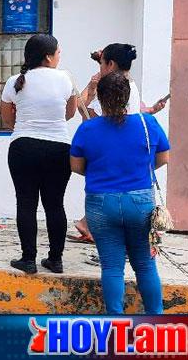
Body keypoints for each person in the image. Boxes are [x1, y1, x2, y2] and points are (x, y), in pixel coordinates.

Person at [70, 71, 168, 314]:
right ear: (127, 98)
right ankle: (155, 320)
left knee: (112, 267)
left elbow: (76, 166)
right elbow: (162, 158)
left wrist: (101, 171)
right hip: (140, 202)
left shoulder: (88, 129)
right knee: (145, 265)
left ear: (100, 99)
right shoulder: (148, 123)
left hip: (101, 203)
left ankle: (116, 323)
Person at [72, 43, 169, 243]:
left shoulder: (109, 88)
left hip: (110, 147)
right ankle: (90, 224)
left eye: (101, 63)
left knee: (108, 189)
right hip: (128, 153)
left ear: (111, 64)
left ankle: (90, 224)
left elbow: (84, 111)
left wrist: (90, 90)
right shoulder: (129, 85)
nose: (99, 68)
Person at [0, 34, 77, 275]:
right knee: (55, 205)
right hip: (58, 148)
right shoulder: (65, 79)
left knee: (26, 203)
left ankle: (28, 259)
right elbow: (70, 113)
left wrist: (26, 126)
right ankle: (55, 260)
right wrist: (50, 121)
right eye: (58, 53)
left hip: (23, 146)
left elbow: (7, 118)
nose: (59, 57)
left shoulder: (15, 80)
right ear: (48, 56)